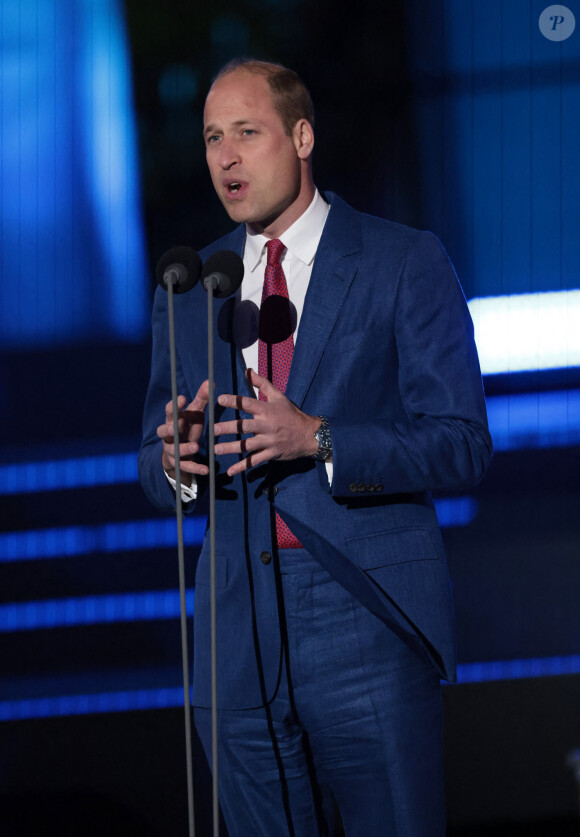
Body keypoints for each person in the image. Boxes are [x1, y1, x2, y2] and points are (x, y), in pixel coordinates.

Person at [139, 58, 492, 837]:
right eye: (210, 138)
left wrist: (320, 438)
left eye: (246, 133)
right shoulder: (193, 286)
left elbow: (462, 443)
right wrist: (175, 459)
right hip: (235, 627)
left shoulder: (403, 261)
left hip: (360, 610)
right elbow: (154, 470)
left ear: (301, 137)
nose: (225, 157)